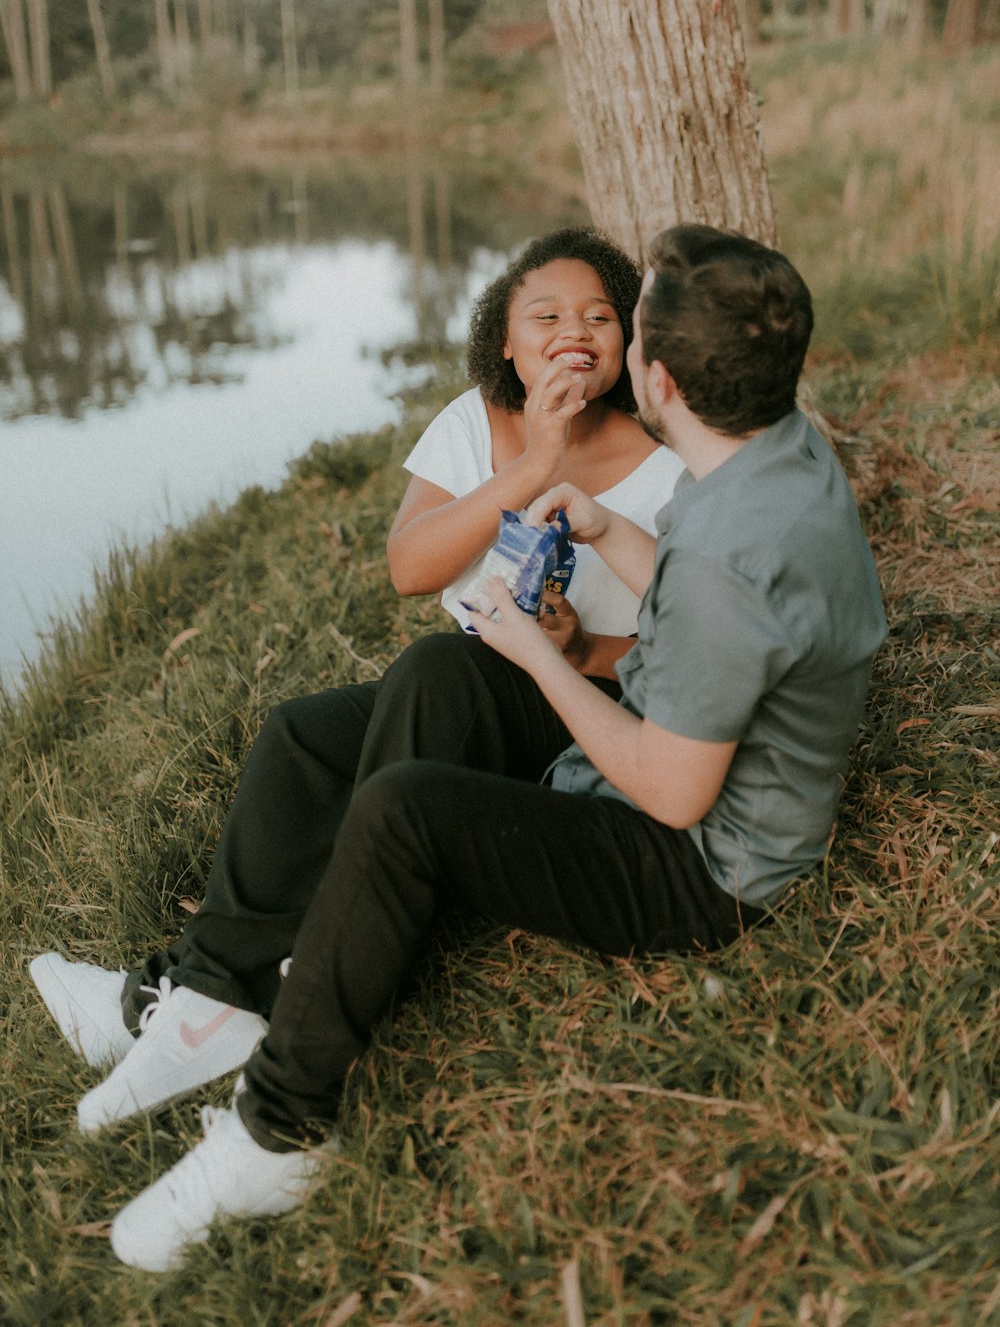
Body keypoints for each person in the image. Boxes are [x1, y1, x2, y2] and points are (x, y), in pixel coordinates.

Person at [81, 222, 889, 1272]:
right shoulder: (761, 446)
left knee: (406, 806)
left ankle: (278, 1127)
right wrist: (602, 528)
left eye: (622, 321)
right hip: (650, 745)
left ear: (661, 378)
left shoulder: (740, 554)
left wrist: (540, 656)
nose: (596, 339)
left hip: (696, 869)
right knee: (416, 685)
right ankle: (225, 995)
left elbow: (673, 794)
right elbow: (695, 588)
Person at [30, 228, 683, 1125]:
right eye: (548, 315)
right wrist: (532, 463)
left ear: (626, 342)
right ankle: (194, 998)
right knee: (304, 735)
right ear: (506, 339)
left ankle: (239, 998)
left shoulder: (663, 468)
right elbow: (412, 566)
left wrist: (576, 651)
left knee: (435, 667)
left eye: (600, 315)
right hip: (471, 686)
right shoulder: (474, 422)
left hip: (576, 711)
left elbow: (675, 648)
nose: (576, 330)